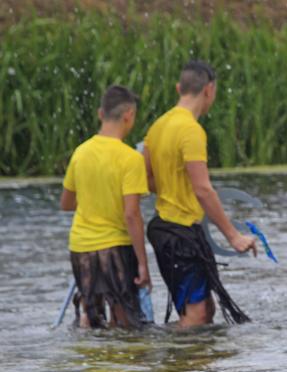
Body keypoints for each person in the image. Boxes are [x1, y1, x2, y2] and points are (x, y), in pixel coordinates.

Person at [143, 60, 255, 327]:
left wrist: (172, 189)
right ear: (209, 90)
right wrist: (233, 236)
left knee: (206, 308)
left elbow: (148, 179)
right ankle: (180, 366)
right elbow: (203, 189)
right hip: (181, 234)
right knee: (197, 315)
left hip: (163, 229)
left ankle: (195, 367)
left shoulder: (157, 126)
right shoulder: (191, 130)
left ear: (179, 87)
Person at [60, 85, 150, 328]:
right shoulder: (130, 159)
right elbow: (131, 215)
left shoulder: (80, 153)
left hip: (80, 247)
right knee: (124, 321)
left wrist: (93, 195)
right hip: (114, 248)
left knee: (91, 316)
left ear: (101, 113)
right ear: (129, 115)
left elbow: (66, 203)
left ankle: (94, 364)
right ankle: (119, 365)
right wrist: (143, 263)